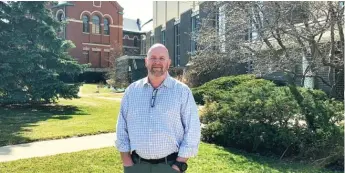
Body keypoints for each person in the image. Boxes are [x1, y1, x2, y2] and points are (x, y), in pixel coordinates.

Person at [115, 43, 201, 173]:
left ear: (168, 62)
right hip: (136, 166)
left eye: (162, 58)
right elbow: (121, 127)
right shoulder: (132, 91)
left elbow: (193, 129)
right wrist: (127, 161)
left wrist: (179, 164)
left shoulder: (182, 92)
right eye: (153, 58)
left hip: (169, 166)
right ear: (146, 61)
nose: (157, 62)